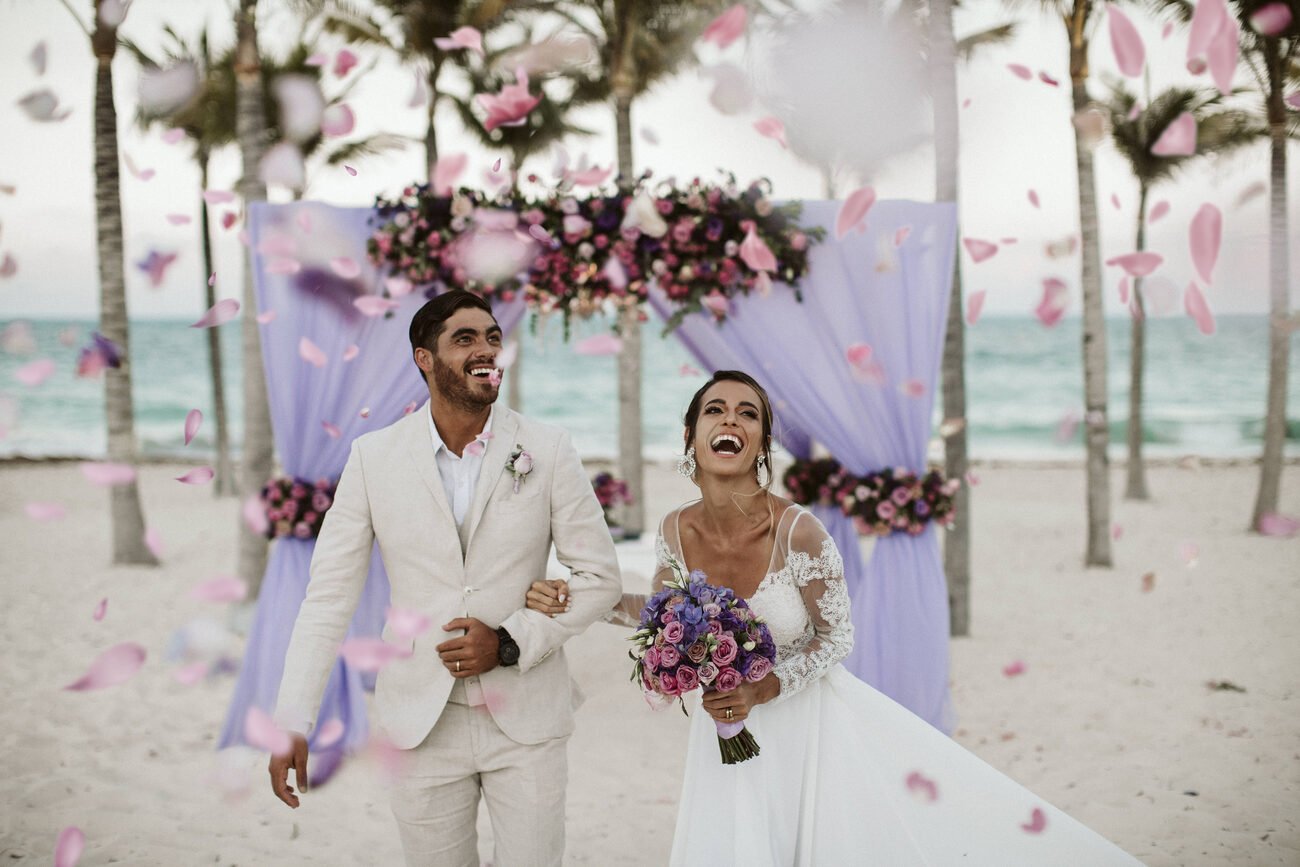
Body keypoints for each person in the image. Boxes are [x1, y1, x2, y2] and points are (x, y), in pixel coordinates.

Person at [527, 370, 1142, 865]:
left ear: (761, 443)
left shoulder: (799, 529)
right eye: (716, 410)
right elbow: (662, 614)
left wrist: (766, 683)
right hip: (720, 729)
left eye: (748, 414)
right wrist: (582, 598)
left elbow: (836, 636)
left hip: (807, 727)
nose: (731, 420)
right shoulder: (674, 529)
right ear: (691, 434)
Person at [269, 290, 622, 866]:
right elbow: (328, 597)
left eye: (493, 338)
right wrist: (292, 722)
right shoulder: (372, 458)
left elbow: (600, 578)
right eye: (465, 339)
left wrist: (510, 640)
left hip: (527, 718)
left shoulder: (547, 448)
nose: (486, 350)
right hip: (418, 721)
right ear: (423, 358)